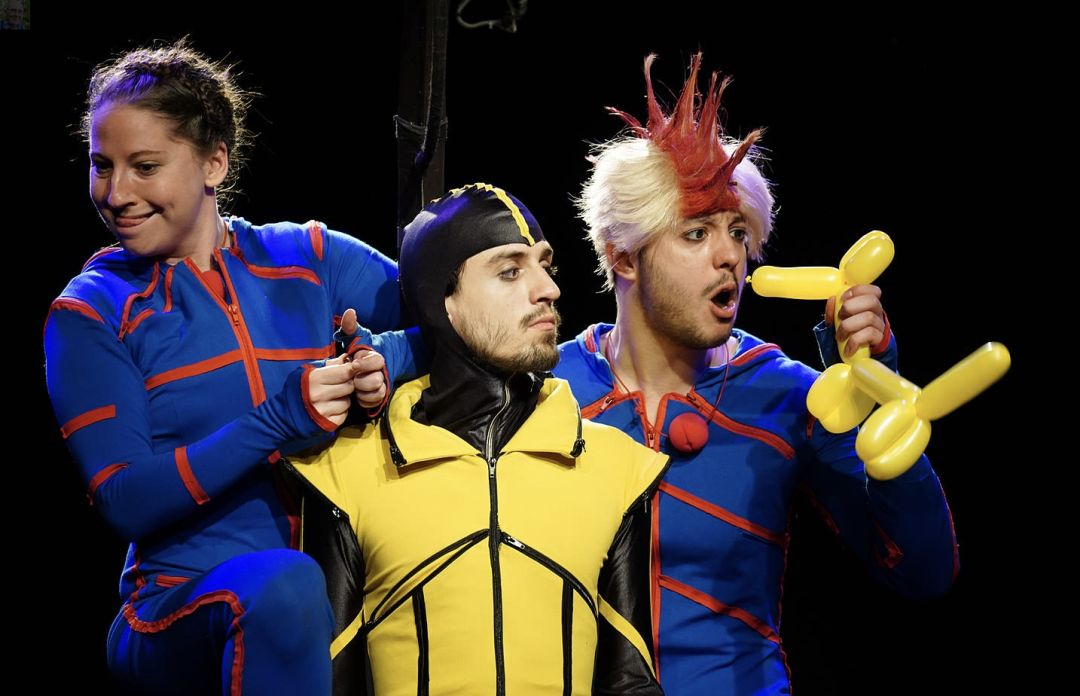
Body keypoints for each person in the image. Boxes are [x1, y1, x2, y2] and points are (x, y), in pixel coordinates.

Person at [553, 54, 958, 695]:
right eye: (695, 233)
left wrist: (881, 403)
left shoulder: (789, 396)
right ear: (623, 257)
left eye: (738, 232)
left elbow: (923, 573)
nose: (729, 256)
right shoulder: (546, 388)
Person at [44, 40, 421, 694]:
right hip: (176, 608)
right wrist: (279, 419)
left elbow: (452, 321)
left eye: (144, 166)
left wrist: (377, 360)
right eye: (102, 166)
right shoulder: (91, 311)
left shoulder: (308, 256)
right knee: (285, 585)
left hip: (341, 594)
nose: (116, 193)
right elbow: (125, 498)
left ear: (213, 162)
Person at [289, 183, 668, 695]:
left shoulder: (617, 468)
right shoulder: (344, 473)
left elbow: (630, 683)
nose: (548, 290)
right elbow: (331, 682)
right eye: (510, 271)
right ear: (440, 301)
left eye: (545, 265)